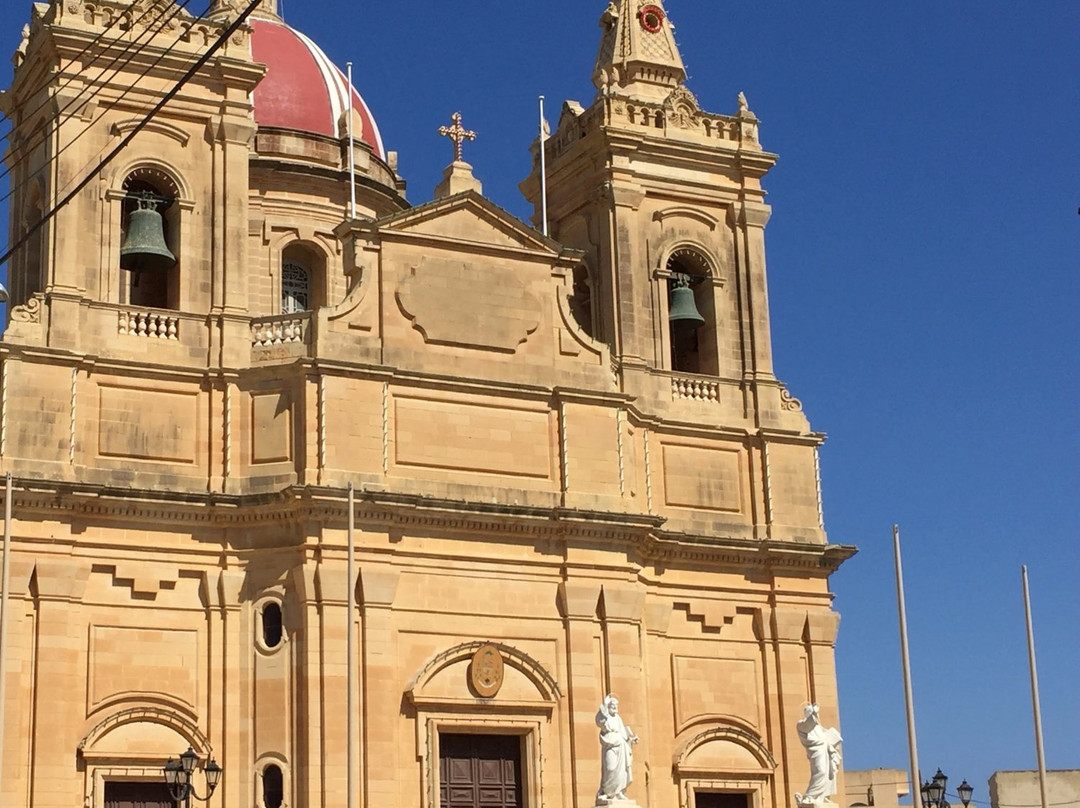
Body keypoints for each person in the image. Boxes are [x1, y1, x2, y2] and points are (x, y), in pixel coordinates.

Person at [794, 703, 842, 806]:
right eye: (811, 712)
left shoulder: (817, 726)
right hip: (816, 752)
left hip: (824, 750)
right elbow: (808, 725)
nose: (816, 715)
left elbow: (824, 732)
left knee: (828, 774)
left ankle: (822, 796)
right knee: (820, 771)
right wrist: (814, 713)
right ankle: (809, 796)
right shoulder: (801, 724)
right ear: (807, 713)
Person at [596, 694, 639, 803]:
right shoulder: (605, 718)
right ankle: (607, 792)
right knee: (610, 768)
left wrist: (631, 740)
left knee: (622, 771)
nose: (615, 707)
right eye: (612, 705)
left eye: (616, 705)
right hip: (610, 744)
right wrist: (604, 707)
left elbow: (624, 734)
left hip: (621, 746)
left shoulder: (618, 718)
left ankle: (619, 792)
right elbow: (600, 721)